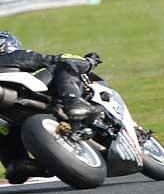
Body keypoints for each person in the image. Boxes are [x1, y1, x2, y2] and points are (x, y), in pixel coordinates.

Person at [0, 32, 101, 184]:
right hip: (19, 98)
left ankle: (23, 165)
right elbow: (56, 59)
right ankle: (72, 102)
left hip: (9, 117)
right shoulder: (11, 56)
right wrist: (89, 62)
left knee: (16, 166)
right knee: (62, 65)